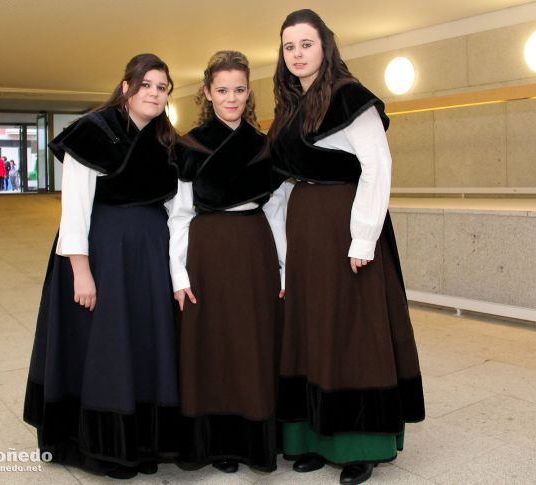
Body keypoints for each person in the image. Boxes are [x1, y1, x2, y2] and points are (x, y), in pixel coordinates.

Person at [269, 9, 425, 485]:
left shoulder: (349, 96)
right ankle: (316, 437)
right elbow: (281, 186)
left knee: (354, 331)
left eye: (306, 44)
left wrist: (362, 238)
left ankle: (361, 444)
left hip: (345, 227)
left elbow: (377, 167)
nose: (297, 53)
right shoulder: (290, 107)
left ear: (325, 46)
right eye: (289, 46)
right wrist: (282, 252)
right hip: (306, 229)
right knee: (313, 328)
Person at [23, 54, 181, 479]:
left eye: (162, 87)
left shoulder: (166, 140)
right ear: (126, 86)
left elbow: (176, 207)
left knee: (143, 345)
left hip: (148, 258)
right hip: (103, 255)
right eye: (146, 84)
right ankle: (100, 447)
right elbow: (73, 208)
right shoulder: (94, 131)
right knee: (105, 348)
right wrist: (81, 270)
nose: (153, 93)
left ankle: (141, 442)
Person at [168, 50, 285, 473]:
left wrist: (284, 267)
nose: (231, 98)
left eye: (238, 89)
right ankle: (216, 445)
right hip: (206, 251)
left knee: (250, 342)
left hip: (254, 249)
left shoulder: (264, 145)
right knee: (212, 346)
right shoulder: (189, 145)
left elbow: (275, 212)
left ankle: (252, 443)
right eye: (222, 90)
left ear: (248, 91)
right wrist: (178, 273)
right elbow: (179, 215)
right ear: (207, 92)